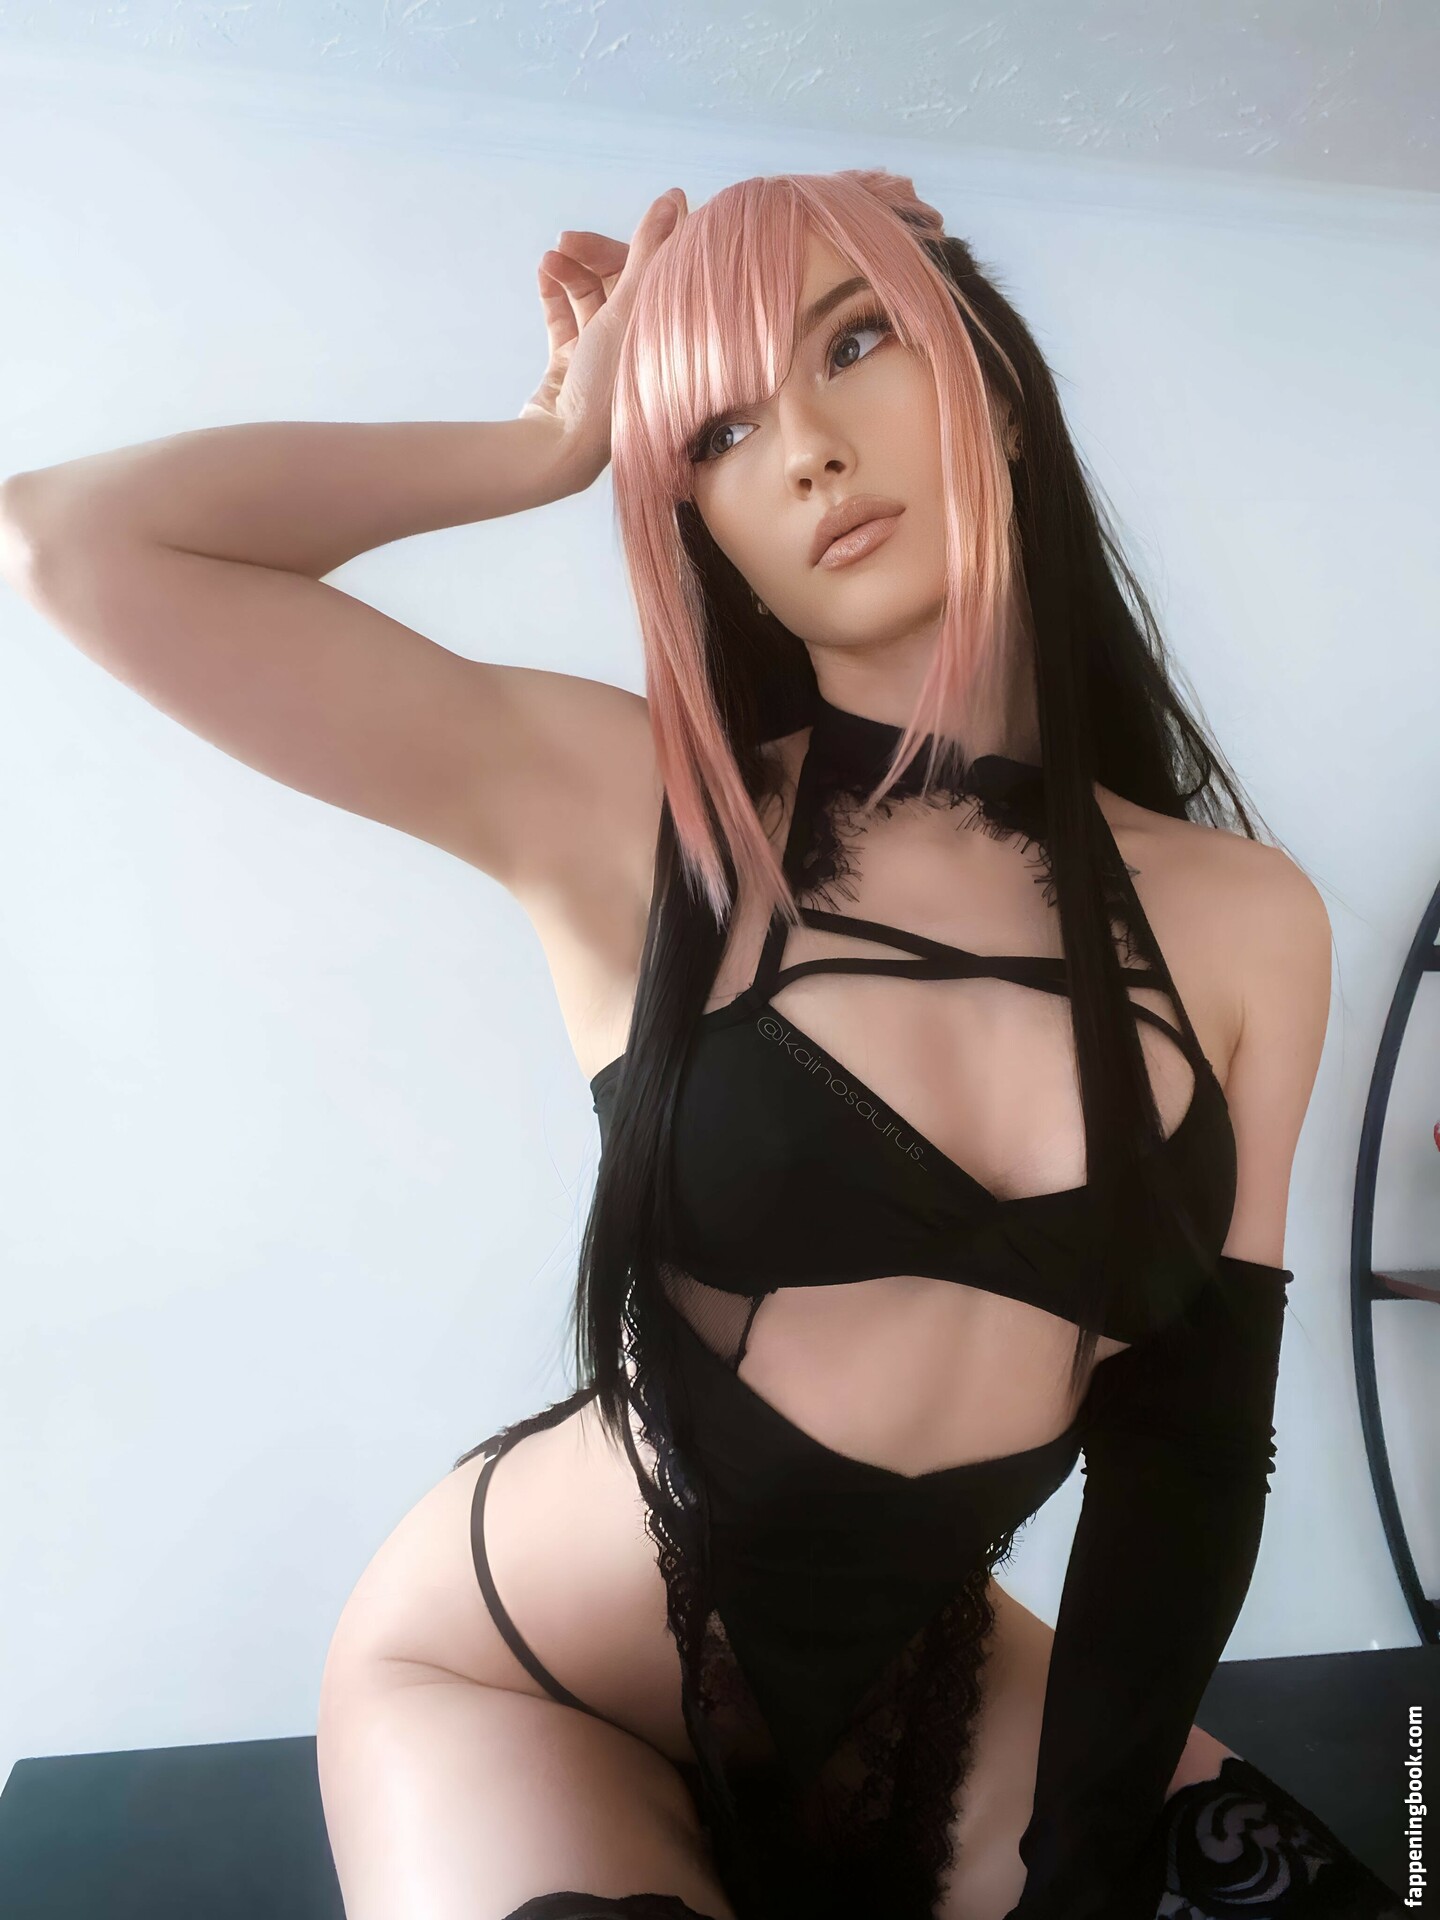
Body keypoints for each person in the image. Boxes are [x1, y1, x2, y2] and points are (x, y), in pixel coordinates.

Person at [0, 171, 1404, 1920]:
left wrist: (1082, 1872)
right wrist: (544, 450)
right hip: (529, 1685)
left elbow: (1189, 1449)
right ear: (701, 526)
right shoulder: (641, 816)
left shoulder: (1249, 918)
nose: (805, 450)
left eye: (857, 341)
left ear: (996, 389)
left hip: (928, 1690)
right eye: (720, 430)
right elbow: (74, 542)